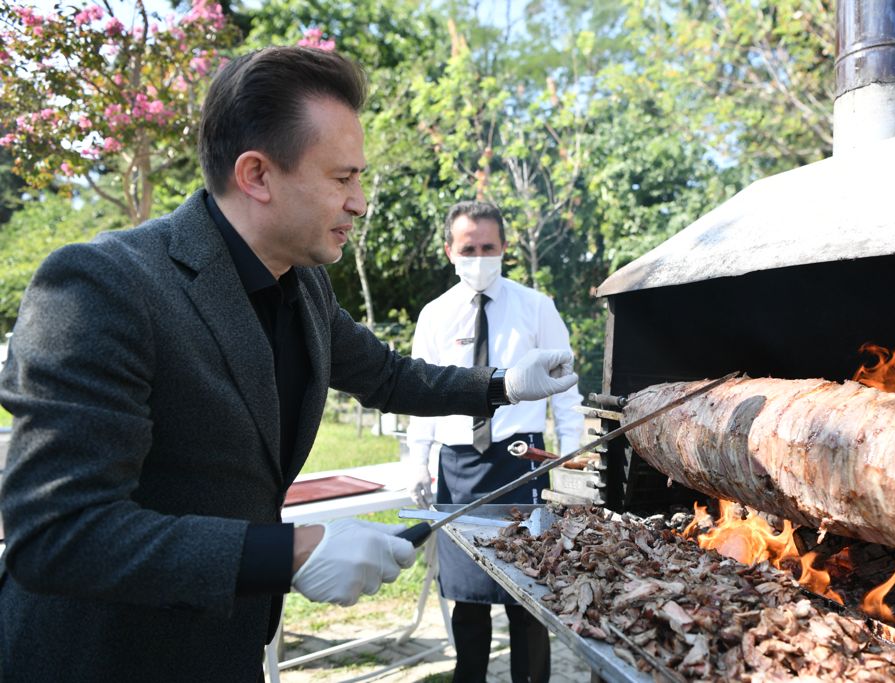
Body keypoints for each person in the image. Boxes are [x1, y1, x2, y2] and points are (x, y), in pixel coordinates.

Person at [0, 47, 578, 683]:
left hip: (227, 646)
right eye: (342, 178)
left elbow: (386, 375)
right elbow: (60, 533)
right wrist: (292, 551)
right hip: (100, 657)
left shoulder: (303, 287)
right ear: (257, 175)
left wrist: (501, 384)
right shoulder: (100, 286)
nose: (360, 202)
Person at [405, 201, 584, 683]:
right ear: (450, 251)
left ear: (504, 248)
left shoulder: (536, 307)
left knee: (529, 596)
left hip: (520, 463)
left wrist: (574, 458)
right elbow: (420, 393)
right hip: (458, 466)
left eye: (488, 247)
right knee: (468, 601)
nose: (479, 256)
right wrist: (417, 461)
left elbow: (566, 387)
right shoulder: (434, 315)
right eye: (469, 248)